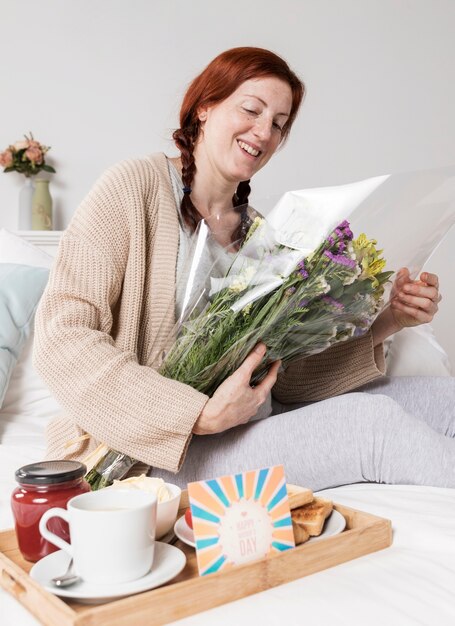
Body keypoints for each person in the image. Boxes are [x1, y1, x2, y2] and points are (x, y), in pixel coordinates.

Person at [34, 47, 454, 491]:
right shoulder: (135, 186)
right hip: (153, 454)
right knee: (375, 424)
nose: (263, 132)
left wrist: (388, 321)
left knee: (445, 399)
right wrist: (195, 414)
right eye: (251, 110)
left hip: (254, 424)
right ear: (206, 107)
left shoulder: (260, 233)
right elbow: (63, 336)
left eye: (278, 123)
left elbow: (286, 379)